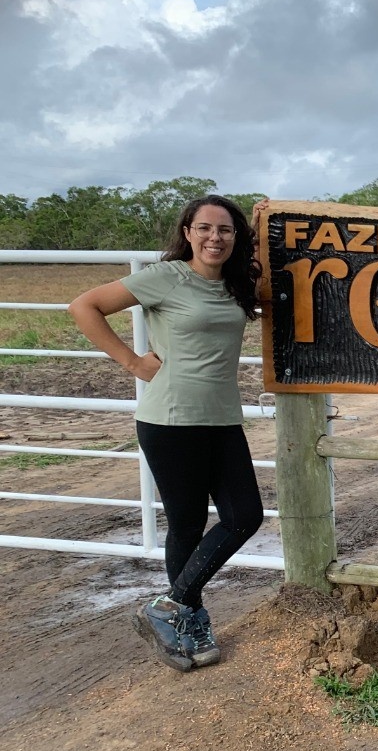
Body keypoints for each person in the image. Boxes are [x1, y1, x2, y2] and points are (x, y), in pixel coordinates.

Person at [70, 195, 265, 672]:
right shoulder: (165, 277)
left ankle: (168, 606)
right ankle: (188, 624)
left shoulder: (237, 284)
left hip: (221, 416)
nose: (214, 238)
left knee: (245, 515)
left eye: (225, 230)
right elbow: (85, 306)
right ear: (187, 232)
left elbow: (262, 260)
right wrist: (133, 362)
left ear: (236, 238)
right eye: (204, 228)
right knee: (186, 522)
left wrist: (261, 222)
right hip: (170, 419)